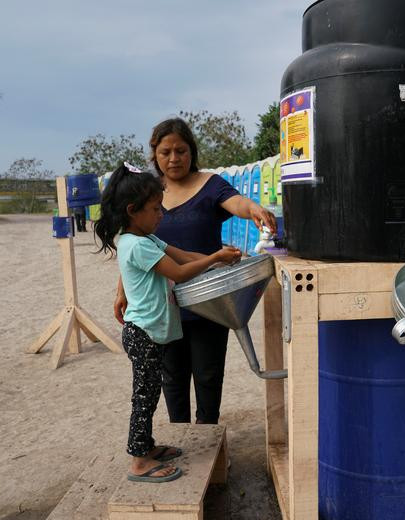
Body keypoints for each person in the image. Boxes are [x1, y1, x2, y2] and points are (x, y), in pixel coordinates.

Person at [114, 118, 276, 426]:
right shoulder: (147, 190)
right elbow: (136, 241)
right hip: (163, 306)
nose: (174, 158)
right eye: (165, 152)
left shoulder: (210, 185)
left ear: (192, 151)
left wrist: (254, 208)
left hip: (210, 304)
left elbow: (237, 202)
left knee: (208, 376)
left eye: (181, 150)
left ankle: (209, 448)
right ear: (154, 154)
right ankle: (182, 444)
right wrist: (122, 290)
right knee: (172, 381)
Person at [94, 162, 241, 483]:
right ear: (133, 211)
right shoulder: (136, 245)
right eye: (154, 209)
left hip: (151, 334)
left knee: (149, 393)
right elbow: (178, 272)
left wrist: (218, 254)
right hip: (143, 335)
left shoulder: (146, 238)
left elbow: (183, 254)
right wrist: (214, 258)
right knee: (144, 397)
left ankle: (147, 447)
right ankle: (138, 461)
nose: (161, 213)